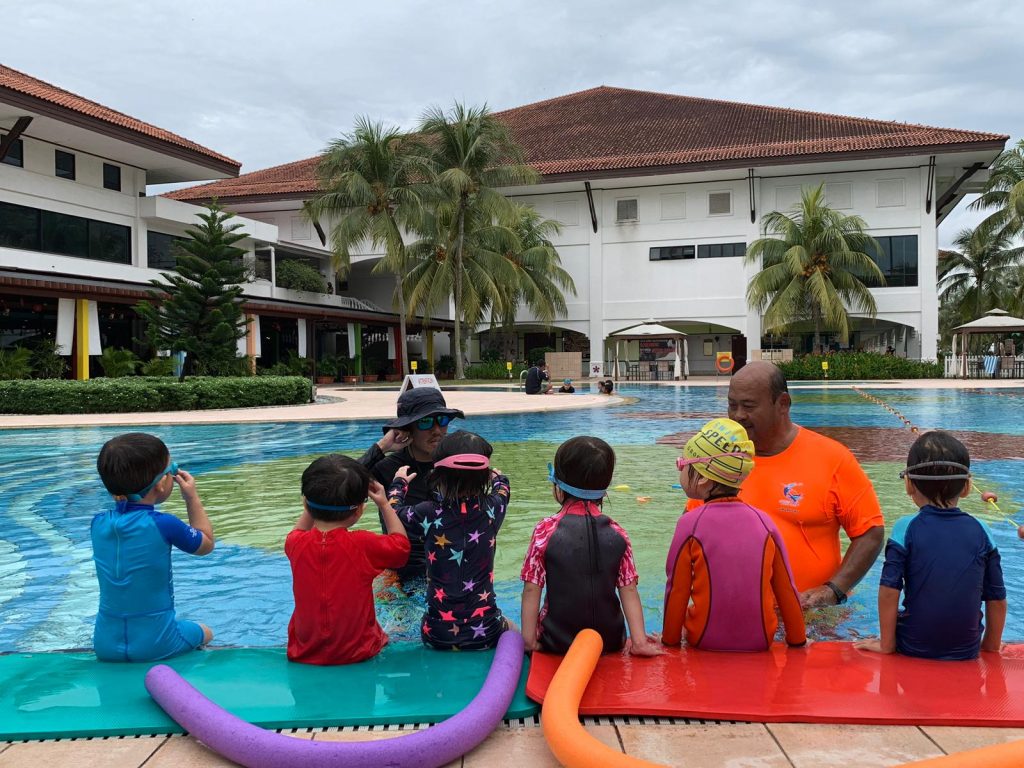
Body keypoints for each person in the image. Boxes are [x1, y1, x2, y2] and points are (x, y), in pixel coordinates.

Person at [708, 361, 884, 607]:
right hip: (739, 614)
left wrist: (834, 590)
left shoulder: (831, 458)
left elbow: (871, 532)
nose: (738, 415)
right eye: (732, 405)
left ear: (782, 404)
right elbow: (692, 531)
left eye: (748, 406)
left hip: (814, 617)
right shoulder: (720, 461)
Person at [857, 432, 1006, 660]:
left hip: (912, 645)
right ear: (966, 487)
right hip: (967, 649)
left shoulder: (905, 528)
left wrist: (887, 644)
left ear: (909, 484)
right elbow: (996, 596)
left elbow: (889, 590)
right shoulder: (982, 530)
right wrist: (991, 645)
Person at [663, 418, 806, 651]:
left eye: (683, 464)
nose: (680, 469)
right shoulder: (765, 523)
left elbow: (677, 589)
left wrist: (669, 641)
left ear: (703, 476)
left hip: (704, 640)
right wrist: (798, 641)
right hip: (761, 641)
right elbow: (786, 589)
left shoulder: (690, 524)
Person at [521, 436, 662, 656]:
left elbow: (532, 588)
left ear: (558, 486)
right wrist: (639, 643)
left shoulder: (544, 531)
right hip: (611, 641)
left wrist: (530, 642)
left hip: (557, 642)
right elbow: (629, 589)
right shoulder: (618, 533)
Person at [92, 433, 215, 662]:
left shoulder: (97, 524)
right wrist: (191, 497)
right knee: (206, 631)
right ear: (160, 484)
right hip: (157, 644)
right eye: (172, 470)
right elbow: (206, 543)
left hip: (104, 643)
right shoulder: (163, 524)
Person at [388, 432, 512, 650]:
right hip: (485, 633)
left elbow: (394, 511)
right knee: (513, 629)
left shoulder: (427, 513)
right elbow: (503, 490)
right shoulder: (494, 508)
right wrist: (498, 478)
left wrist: (400, 483)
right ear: (485, 476)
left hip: (436, 634)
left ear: (438, 476)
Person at [286, 455, 410, 665]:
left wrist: (311, 505)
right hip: (358, 652)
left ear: (305, 504)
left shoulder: (294, 543)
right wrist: (383, 504)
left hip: (303, 652)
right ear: (359, 510)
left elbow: (299, 529)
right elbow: (401, 548)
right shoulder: (364, 544)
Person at [358, 387, 464, 581]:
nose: (437, 430)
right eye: (425, 422)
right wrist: (382, 447)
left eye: (442, 420)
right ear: (408, 428)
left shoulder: (457, 464)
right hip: (400, 574)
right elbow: (336, 489)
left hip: (449, 571)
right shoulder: (387, 468)